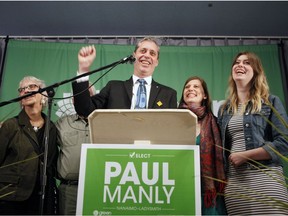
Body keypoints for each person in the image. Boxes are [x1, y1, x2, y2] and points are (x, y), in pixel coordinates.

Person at [217, 51, 288, 215]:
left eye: (247, 62)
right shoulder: (225, 109)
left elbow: (284, 144)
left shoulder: (271, 102)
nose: (240, 65)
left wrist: (245, 155)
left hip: (266, 181)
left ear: (256, 72)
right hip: (235, 186)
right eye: (237, 62)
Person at [72, 37, 177, 117]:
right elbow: (85, 110)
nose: (147, 55)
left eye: (152, 53)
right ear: (134, 55)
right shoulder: (113, 88)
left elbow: (172, 127)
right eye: (143, 51)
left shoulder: (168, 94)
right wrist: (83, 68)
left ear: (157, 62)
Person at [0, 76, 59, 215]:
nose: (26, 91)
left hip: (42, 196)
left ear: (43, 94)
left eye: (31, 87)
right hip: (13, 196)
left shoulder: (51, 127)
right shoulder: (10, 125)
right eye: (22, 89)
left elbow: (51, 161)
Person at [178, 76, 227, 215]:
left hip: (208, 194)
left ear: (205, 95)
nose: (190, 89)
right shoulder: (173, 122)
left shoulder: (217, 124)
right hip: (180, 189)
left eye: (196, 86)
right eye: (187, 87)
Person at [56, 85, 96, 215]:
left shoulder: (104, 122)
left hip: (97, 188)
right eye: (79, 96)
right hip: (69, 189)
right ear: (73, 100)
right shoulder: (61, 123)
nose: (84, 99)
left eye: (88, 95)